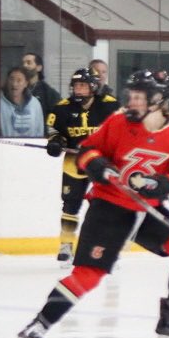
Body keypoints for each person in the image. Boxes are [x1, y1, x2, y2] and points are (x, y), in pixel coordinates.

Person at [15, 69, 169, 338]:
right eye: (130, 95)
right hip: (109, 207)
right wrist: (96, 165)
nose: (131, 102)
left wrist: (161, 184)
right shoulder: (118, 122)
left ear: (158, 99)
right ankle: (38, 326)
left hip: (146, 211)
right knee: (89, 274)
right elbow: (86, 151)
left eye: (138, 97)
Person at [44, 67, 119, 263]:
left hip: (102, 162)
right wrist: (56, 142)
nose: (78, 90)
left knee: (106, 206)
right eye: (76, 86)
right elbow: (54, 130)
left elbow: (121, 131)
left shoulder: (110, 106)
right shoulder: (62, 108)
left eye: (83, 86)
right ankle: (66, 245)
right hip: (74, 162)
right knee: (70, 204)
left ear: (93, 87)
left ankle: (106, 248)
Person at [0, 66, 45, 138]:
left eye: (19, 80)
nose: (14, 84)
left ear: (26, 83)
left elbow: (39, 131)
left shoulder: (35, 104)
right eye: (11, 79)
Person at [21, 51, 61, 118]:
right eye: (23, 63)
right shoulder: (17, 88)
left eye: (28, 63)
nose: (24, 66)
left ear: (39, 67)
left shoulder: (47, 91)